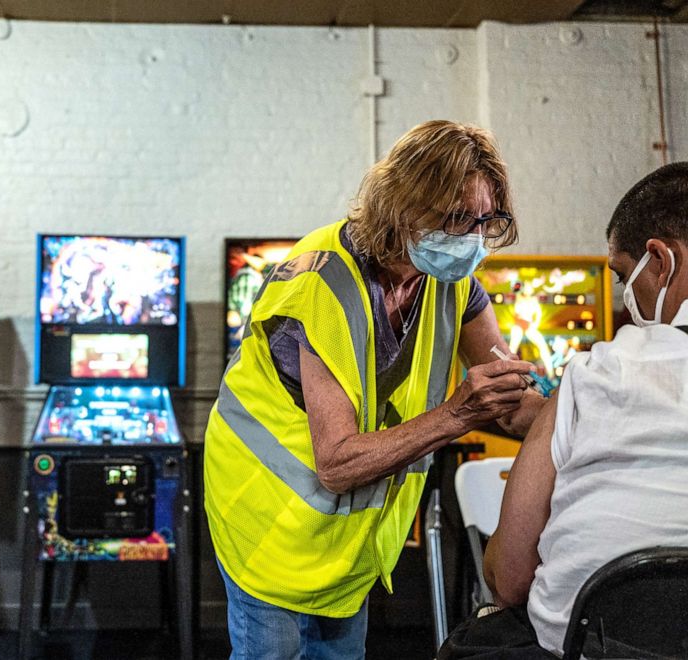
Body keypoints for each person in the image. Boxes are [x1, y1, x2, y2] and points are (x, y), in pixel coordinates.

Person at [204, 120, 548, 659]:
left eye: (487, 220)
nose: (473, 240)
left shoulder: (450, 282)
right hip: (269, 519)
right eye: (457, 219)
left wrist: (584, 409)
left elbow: (510, 403)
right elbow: (337, 462)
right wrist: (457, 415)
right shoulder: (322, 286)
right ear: (404, 205)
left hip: (347, 539)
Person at [439, 161, 688, 658]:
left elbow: (509, 578)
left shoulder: (591, 373)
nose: (626, 298)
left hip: (591, 645)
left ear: (660, 261)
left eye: (622, 277)